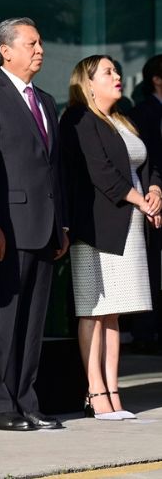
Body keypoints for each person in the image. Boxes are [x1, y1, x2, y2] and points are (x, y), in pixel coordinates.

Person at [0, 18, 69, 432]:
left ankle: (28, 400)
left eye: (41, 42)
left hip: (46, 227)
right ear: (6, 51)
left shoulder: (46, 101)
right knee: (5, 319)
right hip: (8, 226)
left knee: (33, 323)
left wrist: (62, 224)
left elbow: (54, 169)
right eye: (32, 43)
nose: (40, 49)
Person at [60, 55, 161, 420]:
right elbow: (99, 172)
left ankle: (114, 390)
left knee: (114, 313)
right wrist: (140, 201)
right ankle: (94, 392)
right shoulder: (79, 118)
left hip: (129, 224)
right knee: (94, 310)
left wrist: (155, 191)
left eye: (117, 71)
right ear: (88, 83)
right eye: (108, 72)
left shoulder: (122, 119)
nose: (117, 77)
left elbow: (148, 165)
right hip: (97, 226)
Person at [127, 54, 162, 353]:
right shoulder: (144, 112)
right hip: (151, 200)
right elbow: (146, 159)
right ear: (157, 79)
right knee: (150, 265)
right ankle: (145, 332)